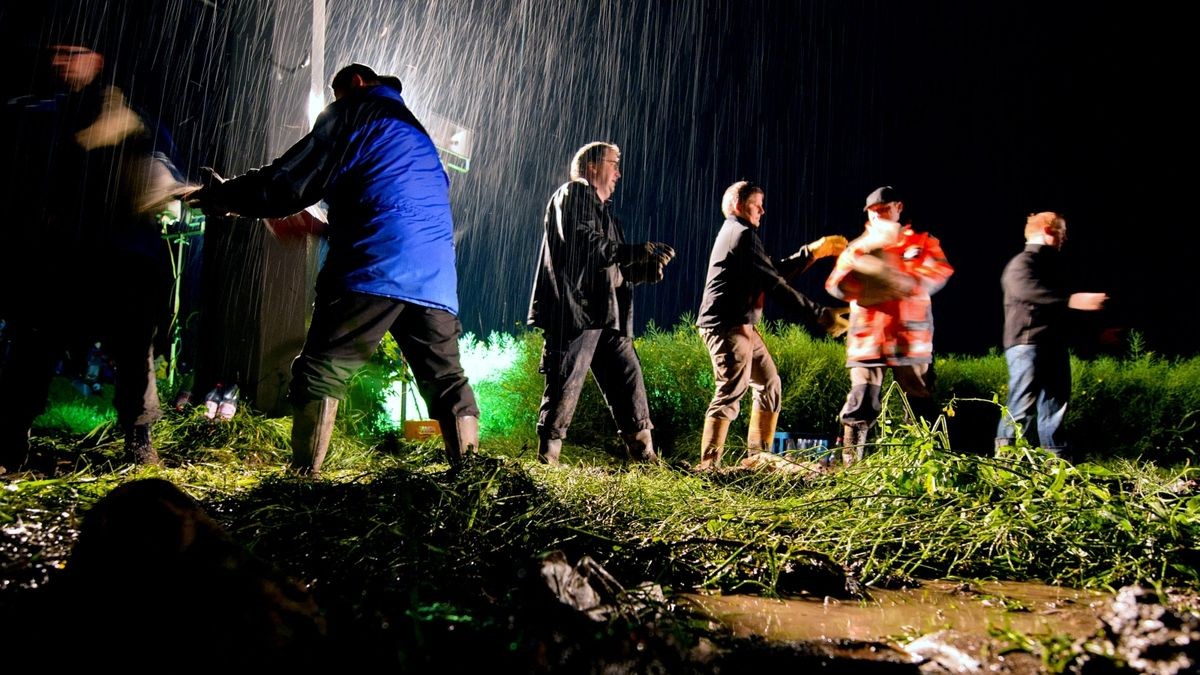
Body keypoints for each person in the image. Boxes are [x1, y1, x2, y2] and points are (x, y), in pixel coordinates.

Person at [188, 63, 479, 476]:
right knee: (446, 379)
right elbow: (396, 206)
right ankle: (469, 477)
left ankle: (303, 480)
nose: (332, 104)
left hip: (371, 269)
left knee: (321, 370)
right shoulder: (416, 134)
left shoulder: (355, 111)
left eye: (336, 95)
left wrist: (226, 196)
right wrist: (322, 227)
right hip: (435, 280)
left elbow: (288, 181)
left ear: (356, 84)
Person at [0, 42, 184, 474]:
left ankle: (139, 442)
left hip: (123, 259)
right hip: (57, 258)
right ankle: (10, 442)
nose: (61, 61)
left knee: (133, 349)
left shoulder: (134, 122)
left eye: (73, 53)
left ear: (97, 60)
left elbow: (156, 178)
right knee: (33, 345)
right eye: (57, 53)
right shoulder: (41, 117)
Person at [527, 142, 674, 465]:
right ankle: (546, 463)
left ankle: (646, 459)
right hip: (576, 313)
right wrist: (634, 251)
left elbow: (613, 267)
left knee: (629, 383)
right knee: (564, 384)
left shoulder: (607, 215)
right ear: (592, 166)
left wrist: (643, 270)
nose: (619, 173)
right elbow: (584, 244)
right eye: (614, 164)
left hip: (608, 317)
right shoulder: (573, 194)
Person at [694, 181, 849, 471]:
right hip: (726, 326)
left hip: (741, 326)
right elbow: (775, 284)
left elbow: (770, 271)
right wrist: (820, 314)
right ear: (739, 206)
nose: (763, 210)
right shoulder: (740, 234)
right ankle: (707, 466)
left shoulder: (739, 235)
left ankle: (758, 459)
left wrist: (811, 253)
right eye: (757, 204)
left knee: (769, 384)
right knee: (730, 389)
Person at [825, 186, 954, 465]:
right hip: (868, 338)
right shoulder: (858, 247)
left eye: (884, 209)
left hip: (910, 336)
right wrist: (867, 281)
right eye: (873, 211)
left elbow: (939, 272)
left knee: (919, 400)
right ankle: (850, 467)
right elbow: (836, 284)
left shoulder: (922, 242)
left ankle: (928, 467)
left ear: (898, 208)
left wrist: (905, 279)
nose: (878, 215)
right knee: (861, 400)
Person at [995, 212, 1107, 456]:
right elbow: (1027, 290)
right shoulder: (1023, 262)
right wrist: (1072, 299)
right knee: (1022, 402)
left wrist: (1096, 336)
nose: (1065, 237)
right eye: (1061, 231)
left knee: (1055, 403)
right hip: (1027, 342)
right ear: (1047, 230)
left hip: (1053, 343)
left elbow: (1059, 312)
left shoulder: (1049, 265)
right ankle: (1006, 460)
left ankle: (1055, 461)